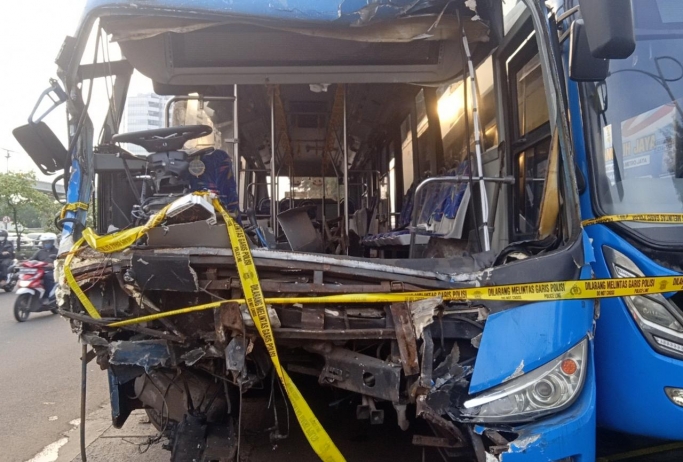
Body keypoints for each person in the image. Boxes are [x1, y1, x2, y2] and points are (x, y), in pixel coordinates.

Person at [30, 233, 58, 301]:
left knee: (47, 277)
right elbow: (31, 260)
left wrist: (53, 265)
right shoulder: (40, 251)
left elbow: (61, 262)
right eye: (44, 242)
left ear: (52, 242)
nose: (46, 243)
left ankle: (48, 296)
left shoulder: (57, 251)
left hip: (52, 271)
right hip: (40, 271)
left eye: (48, 242)